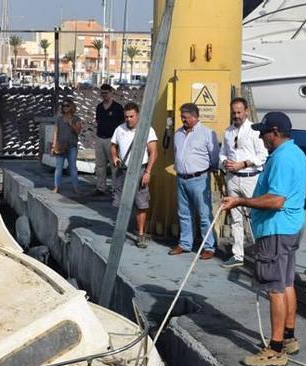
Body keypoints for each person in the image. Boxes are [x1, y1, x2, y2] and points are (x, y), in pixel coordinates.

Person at [220, 112, 306, 366]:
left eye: (264, 133)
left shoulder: (282, 159)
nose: (261, 137)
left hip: (276, 230)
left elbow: (275, 200)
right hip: (290, 227)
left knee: (274, 288)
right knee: (287, 282)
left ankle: (275, 348)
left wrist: (240, 201)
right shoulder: (297, 153)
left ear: (276, 132)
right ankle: (289, 337)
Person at [220, 97, 268, 269]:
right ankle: (238, 254)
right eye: (234, 112)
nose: (236, 115)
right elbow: (223, 153)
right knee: (236, 219)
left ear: (246, 111)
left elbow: (262, 155)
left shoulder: (255, 131)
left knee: (256, 216)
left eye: (239, 112)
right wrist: (224, 162)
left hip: (250, 177)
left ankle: (261, 253)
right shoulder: (228, 132)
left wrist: (244, 163)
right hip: (232, 178)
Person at [169, 102, 219, 259]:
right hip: (181, 179)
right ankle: (185, 243)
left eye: (185, 117)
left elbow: (214, 157)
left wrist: (209, 169)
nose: (182, 120)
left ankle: (209, 246)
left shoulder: (207, 133)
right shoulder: (178, 134)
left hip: (199, 179)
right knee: (184, 213)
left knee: (204, 214)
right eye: (182, 117)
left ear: (195, 117)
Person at [109, 102, 158, 248]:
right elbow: (113, 146)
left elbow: (153, 152)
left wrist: (148, 172)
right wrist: (115, 158)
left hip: (140, 170)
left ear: (137, 115)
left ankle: (141, 235)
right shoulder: (120, 129)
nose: (128, 119)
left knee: (141, 204)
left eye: (131, 116)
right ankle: (119, 234)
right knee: (119, 203)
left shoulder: (147, 130)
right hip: (123, 170)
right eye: (126, 117)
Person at [93, 84, 125, 196]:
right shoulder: (99, 107)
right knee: (100, 165)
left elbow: (122, 124)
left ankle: (115, 189)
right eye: (102, 93)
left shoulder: (118, 107)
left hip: (112, 140)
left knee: (114, 165)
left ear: (111, 93)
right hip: (100, 137)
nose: (104, 95)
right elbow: (98, 121)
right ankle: (100, 188)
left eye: (106, 93)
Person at [51, 98, 84, 194]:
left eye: (67, 105)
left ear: (71, 107)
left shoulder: (76, 119)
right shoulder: (59, 119)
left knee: (73, 167)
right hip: (60, 146)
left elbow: (78, 132)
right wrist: (53, 146)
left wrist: (72, 125)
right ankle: (57, 186)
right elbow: (55, 133)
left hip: (72, 146)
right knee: (58, 167)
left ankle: (76, 187)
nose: (65, 107)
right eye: (64, 106)